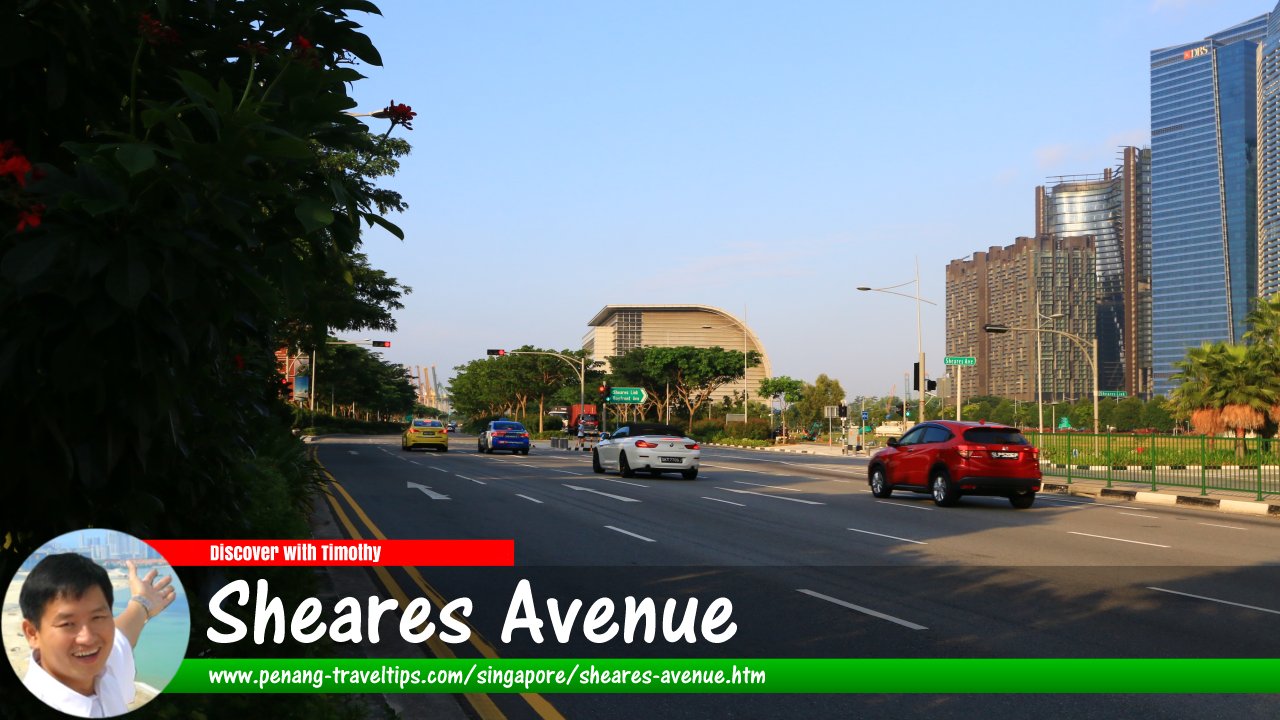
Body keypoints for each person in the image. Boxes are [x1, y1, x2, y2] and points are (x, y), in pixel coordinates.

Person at [19, 553, 177, 718]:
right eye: (67, 624)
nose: (87, 638)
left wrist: (142, 602)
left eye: (98, 617)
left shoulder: (103, 668)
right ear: (32, 634)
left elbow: (122, 635)